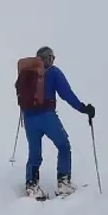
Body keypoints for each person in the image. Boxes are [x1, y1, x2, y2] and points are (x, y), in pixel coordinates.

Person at [21, 46, 95, 198]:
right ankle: (63, 182)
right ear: (48, 58)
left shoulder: (27, 74)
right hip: (47, 116)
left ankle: (31, 186)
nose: (53, 60)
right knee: (63, 145)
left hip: (29, 118)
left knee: (34, 153)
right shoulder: (54, 72)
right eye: (52, 57)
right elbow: (67, 94)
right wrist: (83, 108)